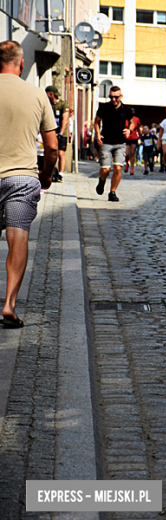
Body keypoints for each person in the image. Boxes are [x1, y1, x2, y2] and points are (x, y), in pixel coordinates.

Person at [0, 41, 57, 327]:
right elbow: (52, 147)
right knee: (18, 237)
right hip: (22, 178)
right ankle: (9, 305)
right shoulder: (37, 95)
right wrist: (46, 175)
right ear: (21, 64)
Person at [94, 86, 135, 202]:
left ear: (120, 97)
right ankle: (102, 180)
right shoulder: (104, 107)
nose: (113, 99)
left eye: (116, 97)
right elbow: (96, 122)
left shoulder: (126, 109)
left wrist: (129, 130)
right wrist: (97, 134)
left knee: (117, 168)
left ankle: (112, 192)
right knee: (105, 170)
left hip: (120, 143)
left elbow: (132, 123)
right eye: (111, 97)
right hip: (106, 142)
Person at [45, 85, 70, 181]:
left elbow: (65, 120)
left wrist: (60, 133)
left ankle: (60, 174)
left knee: (60, 153)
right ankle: (49, 172)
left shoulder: (63, 105)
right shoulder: (48, 104)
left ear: (51, 94)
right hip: (50, 132)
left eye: (47, 93)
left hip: (60, 134)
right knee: (49, 153)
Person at [124, 107, 141, 175]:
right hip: (127, 137)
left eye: (133, 111)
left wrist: (140, 137)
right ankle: (127, 163)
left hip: (134, 137)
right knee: (126, 153)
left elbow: (139, 128)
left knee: (132, 153)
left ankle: (131, 168)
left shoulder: (136, 119)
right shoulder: (125, 119)